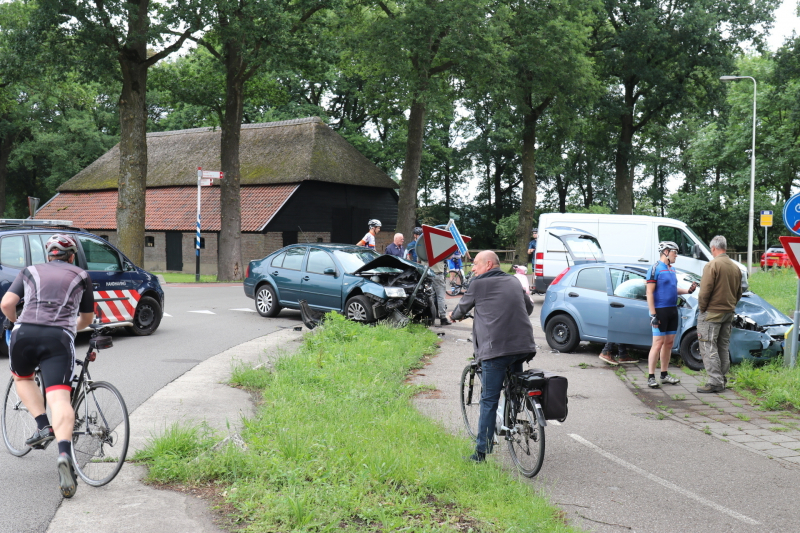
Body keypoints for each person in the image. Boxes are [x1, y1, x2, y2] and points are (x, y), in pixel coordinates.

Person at [1, 234, 95, 498]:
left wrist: (16, 320)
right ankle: (64, 454)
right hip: (58, 337)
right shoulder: (81, 275)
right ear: (72, 256)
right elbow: (87, 317)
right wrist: (71, 329)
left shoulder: (29, 271)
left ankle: (43, 425)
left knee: (22, 378)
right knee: (59, 398)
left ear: (48, 255)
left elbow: (7, 303)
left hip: (24, 333)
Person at [449, 251, 536, 463]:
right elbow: (529, 306)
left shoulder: (478, 284)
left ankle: (480, 453)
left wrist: (452, 316)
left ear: (489, 264)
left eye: (476, 264)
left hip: (495, 350)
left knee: (489, 399)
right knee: (514, 385)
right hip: (523, 346)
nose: (473, 269)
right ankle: (514, 419)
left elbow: (461, 309)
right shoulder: (514, 281)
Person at [646, 241, 697, 388]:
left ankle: (664, 374)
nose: (677, 255)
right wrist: (653, 314)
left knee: (668, 343)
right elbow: (649, 292)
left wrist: (688, 291)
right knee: (657, 344)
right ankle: (651, 376)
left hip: (672, 310)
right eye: (675, 252)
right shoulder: (655, 269)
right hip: (660, 310)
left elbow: (673, 288)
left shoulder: (671, 269)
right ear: (666, 252)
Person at [696, 235, 742, 393]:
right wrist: (731, 305)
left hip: (712, 312)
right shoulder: (735, 267)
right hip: (728, 312)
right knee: (722, 346)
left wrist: (702, 308)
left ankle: (715, 382)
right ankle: (722, 378)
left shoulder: (712, 265)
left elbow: (704, 292)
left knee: (708, 345)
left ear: (713, 248)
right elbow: (739, 291)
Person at [422, 255, 451, 326]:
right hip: (437, 274)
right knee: (440, 296)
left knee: (429, 296)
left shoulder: (423, 246)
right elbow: (449, 257)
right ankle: (443, 318)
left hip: (426, 273)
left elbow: (419, 261)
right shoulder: (439, 247)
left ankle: (429, 317)